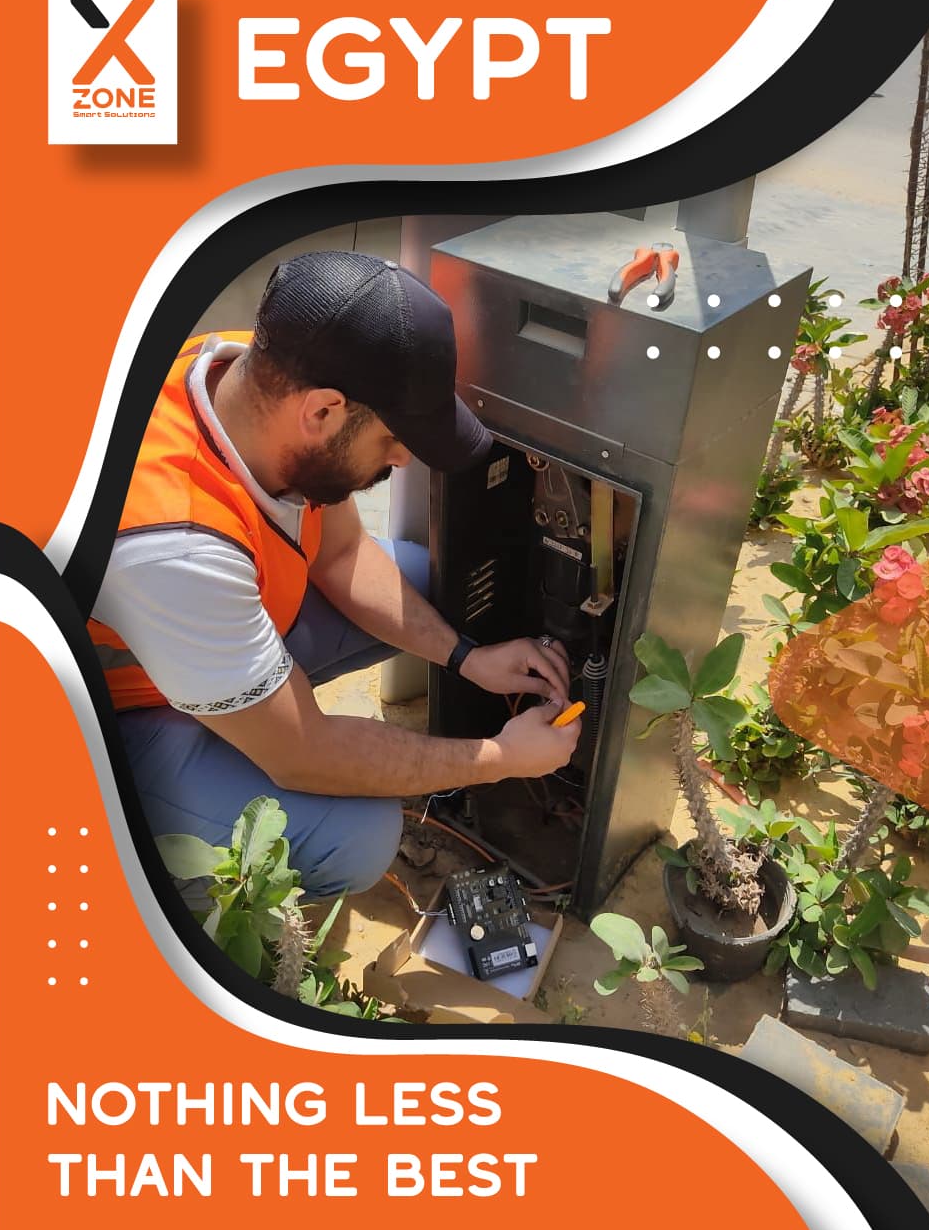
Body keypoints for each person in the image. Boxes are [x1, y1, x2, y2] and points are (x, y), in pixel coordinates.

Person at [89, 250, 580, 897]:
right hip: (115, 722)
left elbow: (342, 554)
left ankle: (247, 707)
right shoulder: (174, 543)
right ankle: (163, 871)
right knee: (352, 839)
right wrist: (499, 760)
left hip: (200, 641)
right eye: (392, 437)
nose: (404, 457)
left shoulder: (252, 371)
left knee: (419, 577)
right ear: (321, 412)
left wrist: (466, 657)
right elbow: (302, 755)